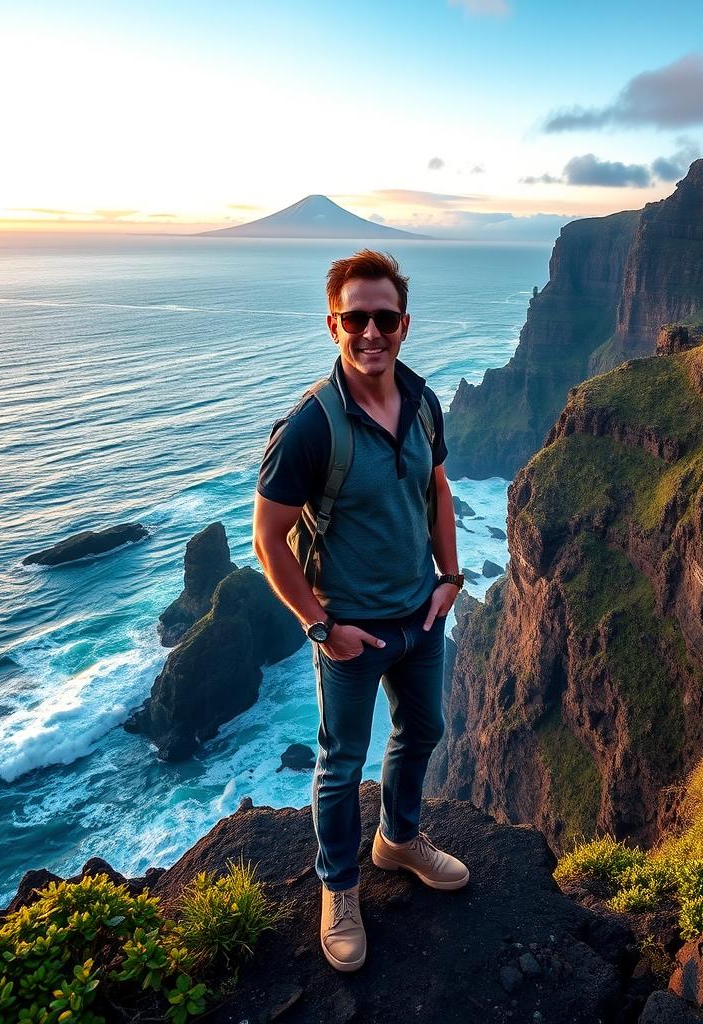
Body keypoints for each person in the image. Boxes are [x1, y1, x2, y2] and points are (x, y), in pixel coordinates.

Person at [252, 249, 468, 973]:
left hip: (420, 618)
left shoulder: (423, 402)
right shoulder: (310, 427)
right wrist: (321, 626)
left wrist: (451, 577)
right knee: (341, 765)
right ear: (333, 324)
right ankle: (338, 888)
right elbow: (268, 538)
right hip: (350, 631)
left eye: (383, 317)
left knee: (424, 728)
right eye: (355, 318)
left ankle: (398, 840)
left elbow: (436, 489)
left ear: (403, 324)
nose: (369, 331)